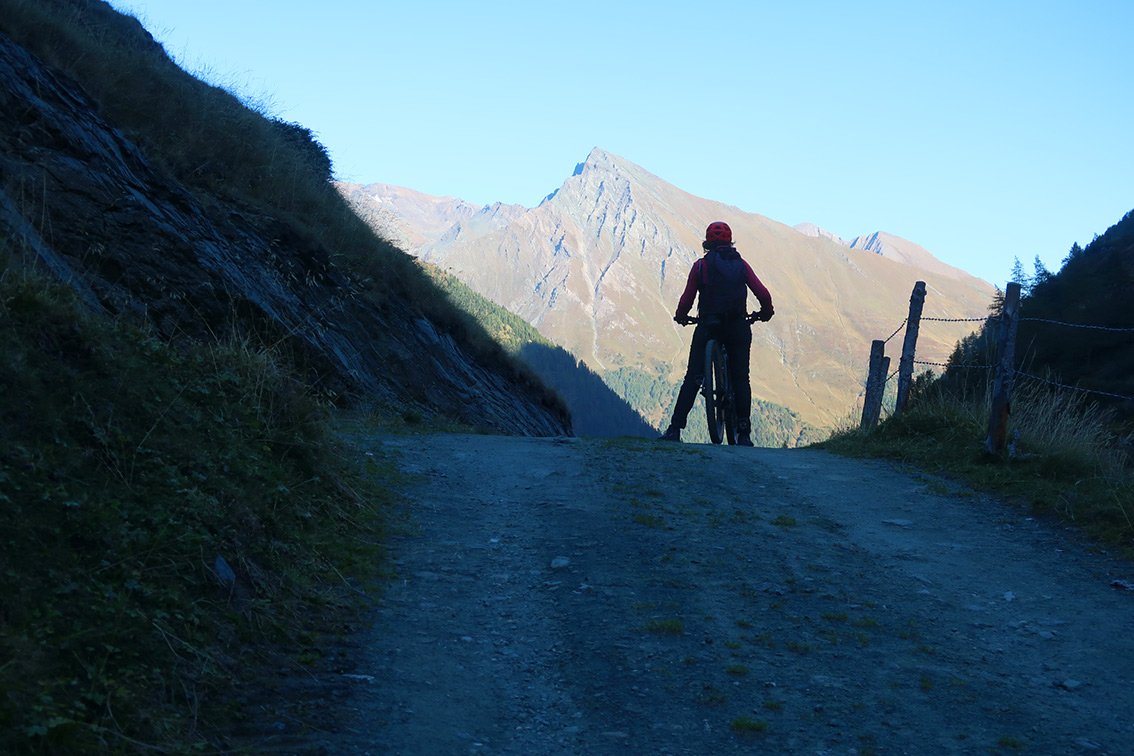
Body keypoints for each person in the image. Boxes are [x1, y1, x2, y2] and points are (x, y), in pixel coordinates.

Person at [658, 221, 774, 445]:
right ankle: (744, 433)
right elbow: (763, 294)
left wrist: (681, 316)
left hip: (709, 327)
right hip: (737, 327)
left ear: (707, 243)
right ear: (730, 242)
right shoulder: (741, 265)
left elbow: (687, 299)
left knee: (693, 377)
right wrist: (766, 312)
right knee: (741, 378)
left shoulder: (700, 266)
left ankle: (675, 429)